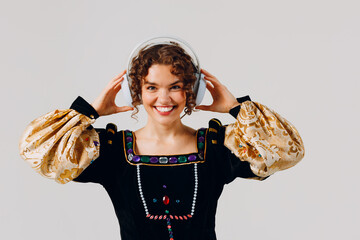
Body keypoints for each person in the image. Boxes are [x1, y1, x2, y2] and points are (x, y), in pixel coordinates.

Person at [19, 39, 305, 240]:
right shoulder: (112, 152)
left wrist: (237, 109)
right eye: (152, 87)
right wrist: (88, 112)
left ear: (191, 91)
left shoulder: (218, 148)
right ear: (138, 92)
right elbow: (36, 149)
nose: (164, 98)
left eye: (176, 87)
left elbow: (286, 151)